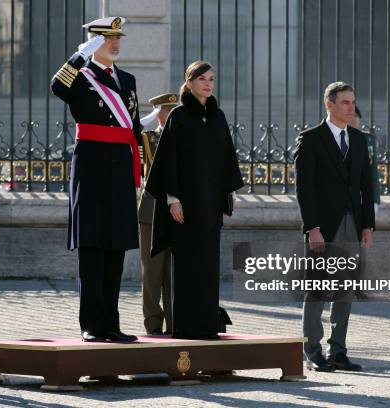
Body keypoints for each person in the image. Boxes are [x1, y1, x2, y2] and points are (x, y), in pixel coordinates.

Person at [50, 17, 141, 342]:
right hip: (90, 167)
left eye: (117, 38)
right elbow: (57, 86)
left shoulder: (127, 79)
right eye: (106, 39)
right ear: (92, 44)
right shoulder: (80, 76)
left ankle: (111, 324)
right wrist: (78, 57)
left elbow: (130, 127)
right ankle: (91, 324)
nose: (115, 44)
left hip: (118, 169)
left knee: (115, 249)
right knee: (92, 248)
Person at [146, 61, 244, 339]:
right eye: (202, 79)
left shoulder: (217, 116)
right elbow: (169, 162)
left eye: (211, 79)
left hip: (210, 205)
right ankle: (186, 328)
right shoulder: (178, 116)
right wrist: (173, 199)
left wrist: (227, 194)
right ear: (189, 82)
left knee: (208, 265)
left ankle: (206, 326)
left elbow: (226, 157)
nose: (208, 84)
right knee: (187, 266)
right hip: (185, 207)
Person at [294, 82, 375, 372]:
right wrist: (312, 227)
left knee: (345, 289)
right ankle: (312, 349)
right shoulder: (310, 139)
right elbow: (304, 189)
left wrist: (368, 225)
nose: (351, 107)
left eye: (353, 102)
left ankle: (338, 350)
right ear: (329, 105)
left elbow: (366, 184)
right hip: (322, 227)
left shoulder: (358, 138)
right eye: (345, 102)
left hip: (352, 223)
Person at [139, 93, 179, 335]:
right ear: (159, 113)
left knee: (173, 272)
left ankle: (176, 322)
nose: (172, 114)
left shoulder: (182, 137)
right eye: (168, 110)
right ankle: (153, 323)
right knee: (152, 272)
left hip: (177, 210)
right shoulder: (148, 138)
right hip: (152, 208)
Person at [351, 106, 380, 212]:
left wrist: (375, 200)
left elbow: (373, 171)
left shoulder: (368, 139)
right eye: (349, 116)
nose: (352, 119)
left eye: (355, 116)